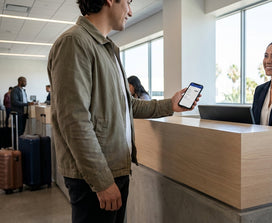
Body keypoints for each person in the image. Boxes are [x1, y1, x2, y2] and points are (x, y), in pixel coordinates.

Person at [47, 0, 201, 222]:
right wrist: (101, 181)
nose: (130, 11)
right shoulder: (74, 42)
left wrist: (170, 105)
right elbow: (73, 121)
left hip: (113, 169)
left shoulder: (107, 48)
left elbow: (127, 105)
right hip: (95, 176)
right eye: (128, 2)